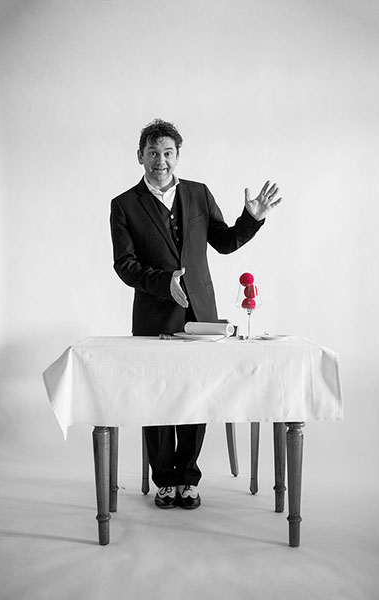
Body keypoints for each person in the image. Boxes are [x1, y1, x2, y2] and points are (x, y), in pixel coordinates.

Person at [110, 118, 281, 510]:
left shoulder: (199, 194)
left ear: (177, 156)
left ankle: (188, 477)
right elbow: (125, 265)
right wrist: (163, 282)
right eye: (153, 153)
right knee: (156, 399)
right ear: (140, 156)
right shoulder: (124, 205)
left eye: (168, 153)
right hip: (153, 318)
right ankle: (164, 480)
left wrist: (252, 218)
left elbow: (225, 242)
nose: (161, 161)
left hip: (201, 317)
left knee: (194, 397)